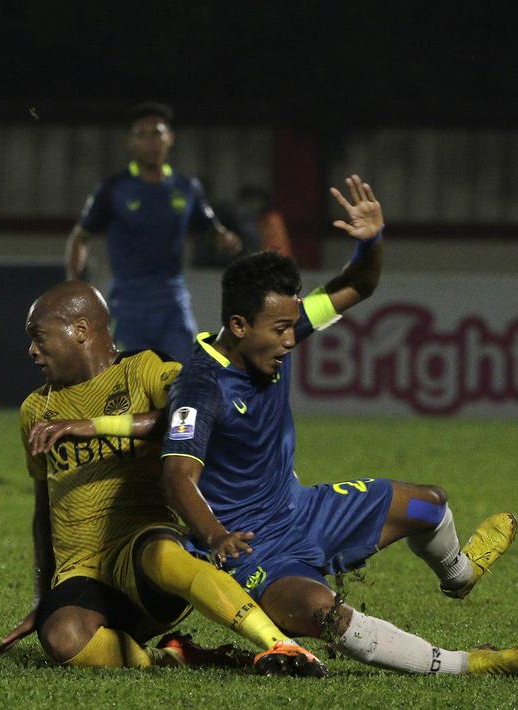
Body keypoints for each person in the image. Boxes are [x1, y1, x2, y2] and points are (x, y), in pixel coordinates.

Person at [160, 175, 518, 675]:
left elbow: (359, 284)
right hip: (250, 550)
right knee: (324, 615)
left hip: (303, 510)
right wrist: (216, 536)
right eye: (280, 329)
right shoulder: (200, 386)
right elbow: (177, 475)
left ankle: (459, 574)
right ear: (239, 326)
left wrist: (370, 240)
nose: (291, 340)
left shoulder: (277, 329)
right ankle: (469, 665)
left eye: (293, 326)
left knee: (429, 503)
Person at [0, 280, 325, 675]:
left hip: (146, 556)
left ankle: (279, 645)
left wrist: (94, 425)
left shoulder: (143, 368)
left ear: (79, 330)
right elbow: (42, 508)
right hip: (82, 572)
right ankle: (171, 658)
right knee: (63, 640)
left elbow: (194, 411)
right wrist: (43, 600)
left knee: (164, 555)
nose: (32, 350)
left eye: (39, 337)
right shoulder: (36, 409)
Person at [65, 101, 241, 363]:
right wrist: (74, 281)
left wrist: (225, 238)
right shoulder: (113, 188)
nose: (150, 141)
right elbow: (81, 236)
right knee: (130, 386)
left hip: (173, 301)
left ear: (170, 138)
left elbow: (211, 229)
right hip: (128, 304)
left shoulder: (186, 187)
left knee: (183, 378)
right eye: (141, 134)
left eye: (157, 133)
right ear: (130, 143)